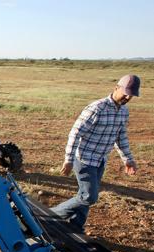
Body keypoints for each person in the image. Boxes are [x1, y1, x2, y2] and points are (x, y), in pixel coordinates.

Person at [52, 74, 141, 231]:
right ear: (116, 88)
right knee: (89, 197)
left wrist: (127, 159)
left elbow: (121, 137)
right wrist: (68, 160)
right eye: (125, 92)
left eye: (131, 95)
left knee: (85, 195)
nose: (127, 97)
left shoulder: (123, 112)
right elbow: (75, 133)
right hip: (84, 160)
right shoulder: (97, 108)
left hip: (100, 160)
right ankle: (51, 215)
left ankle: (75, 226)